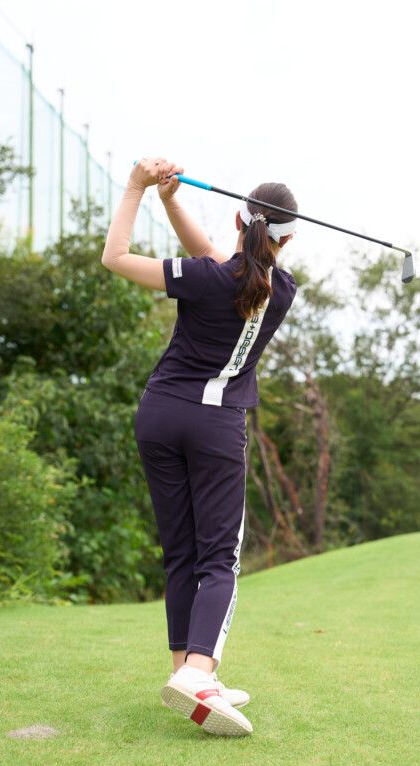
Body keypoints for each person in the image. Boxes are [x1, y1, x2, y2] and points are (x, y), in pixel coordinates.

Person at [101, 156, 298, 736]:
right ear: (288, 240)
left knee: (182, 551)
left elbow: (116, 257)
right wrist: (169, 201)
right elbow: (227, 259)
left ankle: (185, 674)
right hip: (214, 429)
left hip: (159, 416)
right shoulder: (280, 291)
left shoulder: (203, 277)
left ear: (239, 221)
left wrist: (137, 190)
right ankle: (199, 671)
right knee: (220, 557)